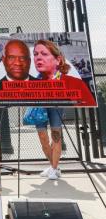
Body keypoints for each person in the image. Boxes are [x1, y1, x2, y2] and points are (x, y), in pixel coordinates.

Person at [32, 40, 95, 180]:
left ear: (57, 59)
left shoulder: (73, 82)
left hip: (56, 107)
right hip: (39, 109)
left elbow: (86, 99)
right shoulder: (34, 81)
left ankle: (54, 169)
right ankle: (53, 165)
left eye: (44, 53)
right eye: (35, 54)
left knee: (56, 137)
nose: (38, 57)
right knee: (43, 139)